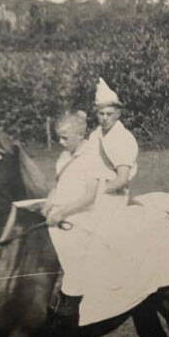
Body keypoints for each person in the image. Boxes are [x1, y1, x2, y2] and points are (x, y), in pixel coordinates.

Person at [42, 111, 104, 325]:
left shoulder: (93, 157)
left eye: (64, 137)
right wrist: (50, 202)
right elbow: (57, 185)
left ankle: (72, 299)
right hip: (60, 213)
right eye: (58, 137)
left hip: (83, 215)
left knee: (70, 248)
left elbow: (89, 196)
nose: (60, 142)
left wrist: (62, 212)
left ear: (80, 134)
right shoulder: (64, 157)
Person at [88, 78, 139, 214]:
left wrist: (96, 192)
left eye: (109, 114)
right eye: (101, 113)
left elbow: (122, 179)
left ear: (118, 114)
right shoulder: (94, 136)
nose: (105, 118)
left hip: (113, 196)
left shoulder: (123, 138)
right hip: (91, 191)